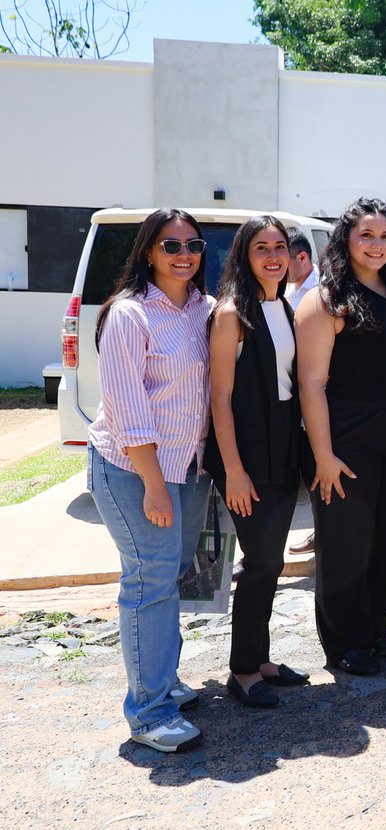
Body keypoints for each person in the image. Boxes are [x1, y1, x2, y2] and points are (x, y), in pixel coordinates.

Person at [88, 209, 212, 752]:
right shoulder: (129, 315)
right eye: (170, 245)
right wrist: (155, 484)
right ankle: (149, 712)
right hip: (135, 470)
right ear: (147, 252)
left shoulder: (205, 310)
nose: (183, 254)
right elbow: (127, 407)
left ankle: (163, 680)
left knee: (178, 574)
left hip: (189, 467)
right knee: (149, 580)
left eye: (193, 244)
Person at [295, 198, 386, 677]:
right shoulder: (324, 300)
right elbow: (312, 383)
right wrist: (322, 454)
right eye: (366, 235)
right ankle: (345, 642)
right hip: (345, 439)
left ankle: (377, 626)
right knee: (346, 542)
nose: (376, 244)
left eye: (384, 236)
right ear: (345, 241)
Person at [207, 215, 309, 707]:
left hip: (283, 448)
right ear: (245, 256)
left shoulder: (284, 306)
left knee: (272, 562)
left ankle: (261, 658)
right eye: (261, 248)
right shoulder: (232, 313)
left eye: (281, 248)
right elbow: (220, 397)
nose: (273, 256)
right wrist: (234, 470)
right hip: (248, 454)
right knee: (261, 561)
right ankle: (243, 670)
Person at [285, 226, 320, 558]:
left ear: (302, 257)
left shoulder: (319, 292)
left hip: (315, 395)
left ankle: (322, 533)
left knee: (316, 469)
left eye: (285, 256)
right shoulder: (287, 291)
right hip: (290, 395)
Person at [284, 227, 320, 310]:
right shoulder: (284, 286)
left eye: (284, 263)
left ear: (302, 258)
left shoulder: (323, 289)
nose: (280, 269)